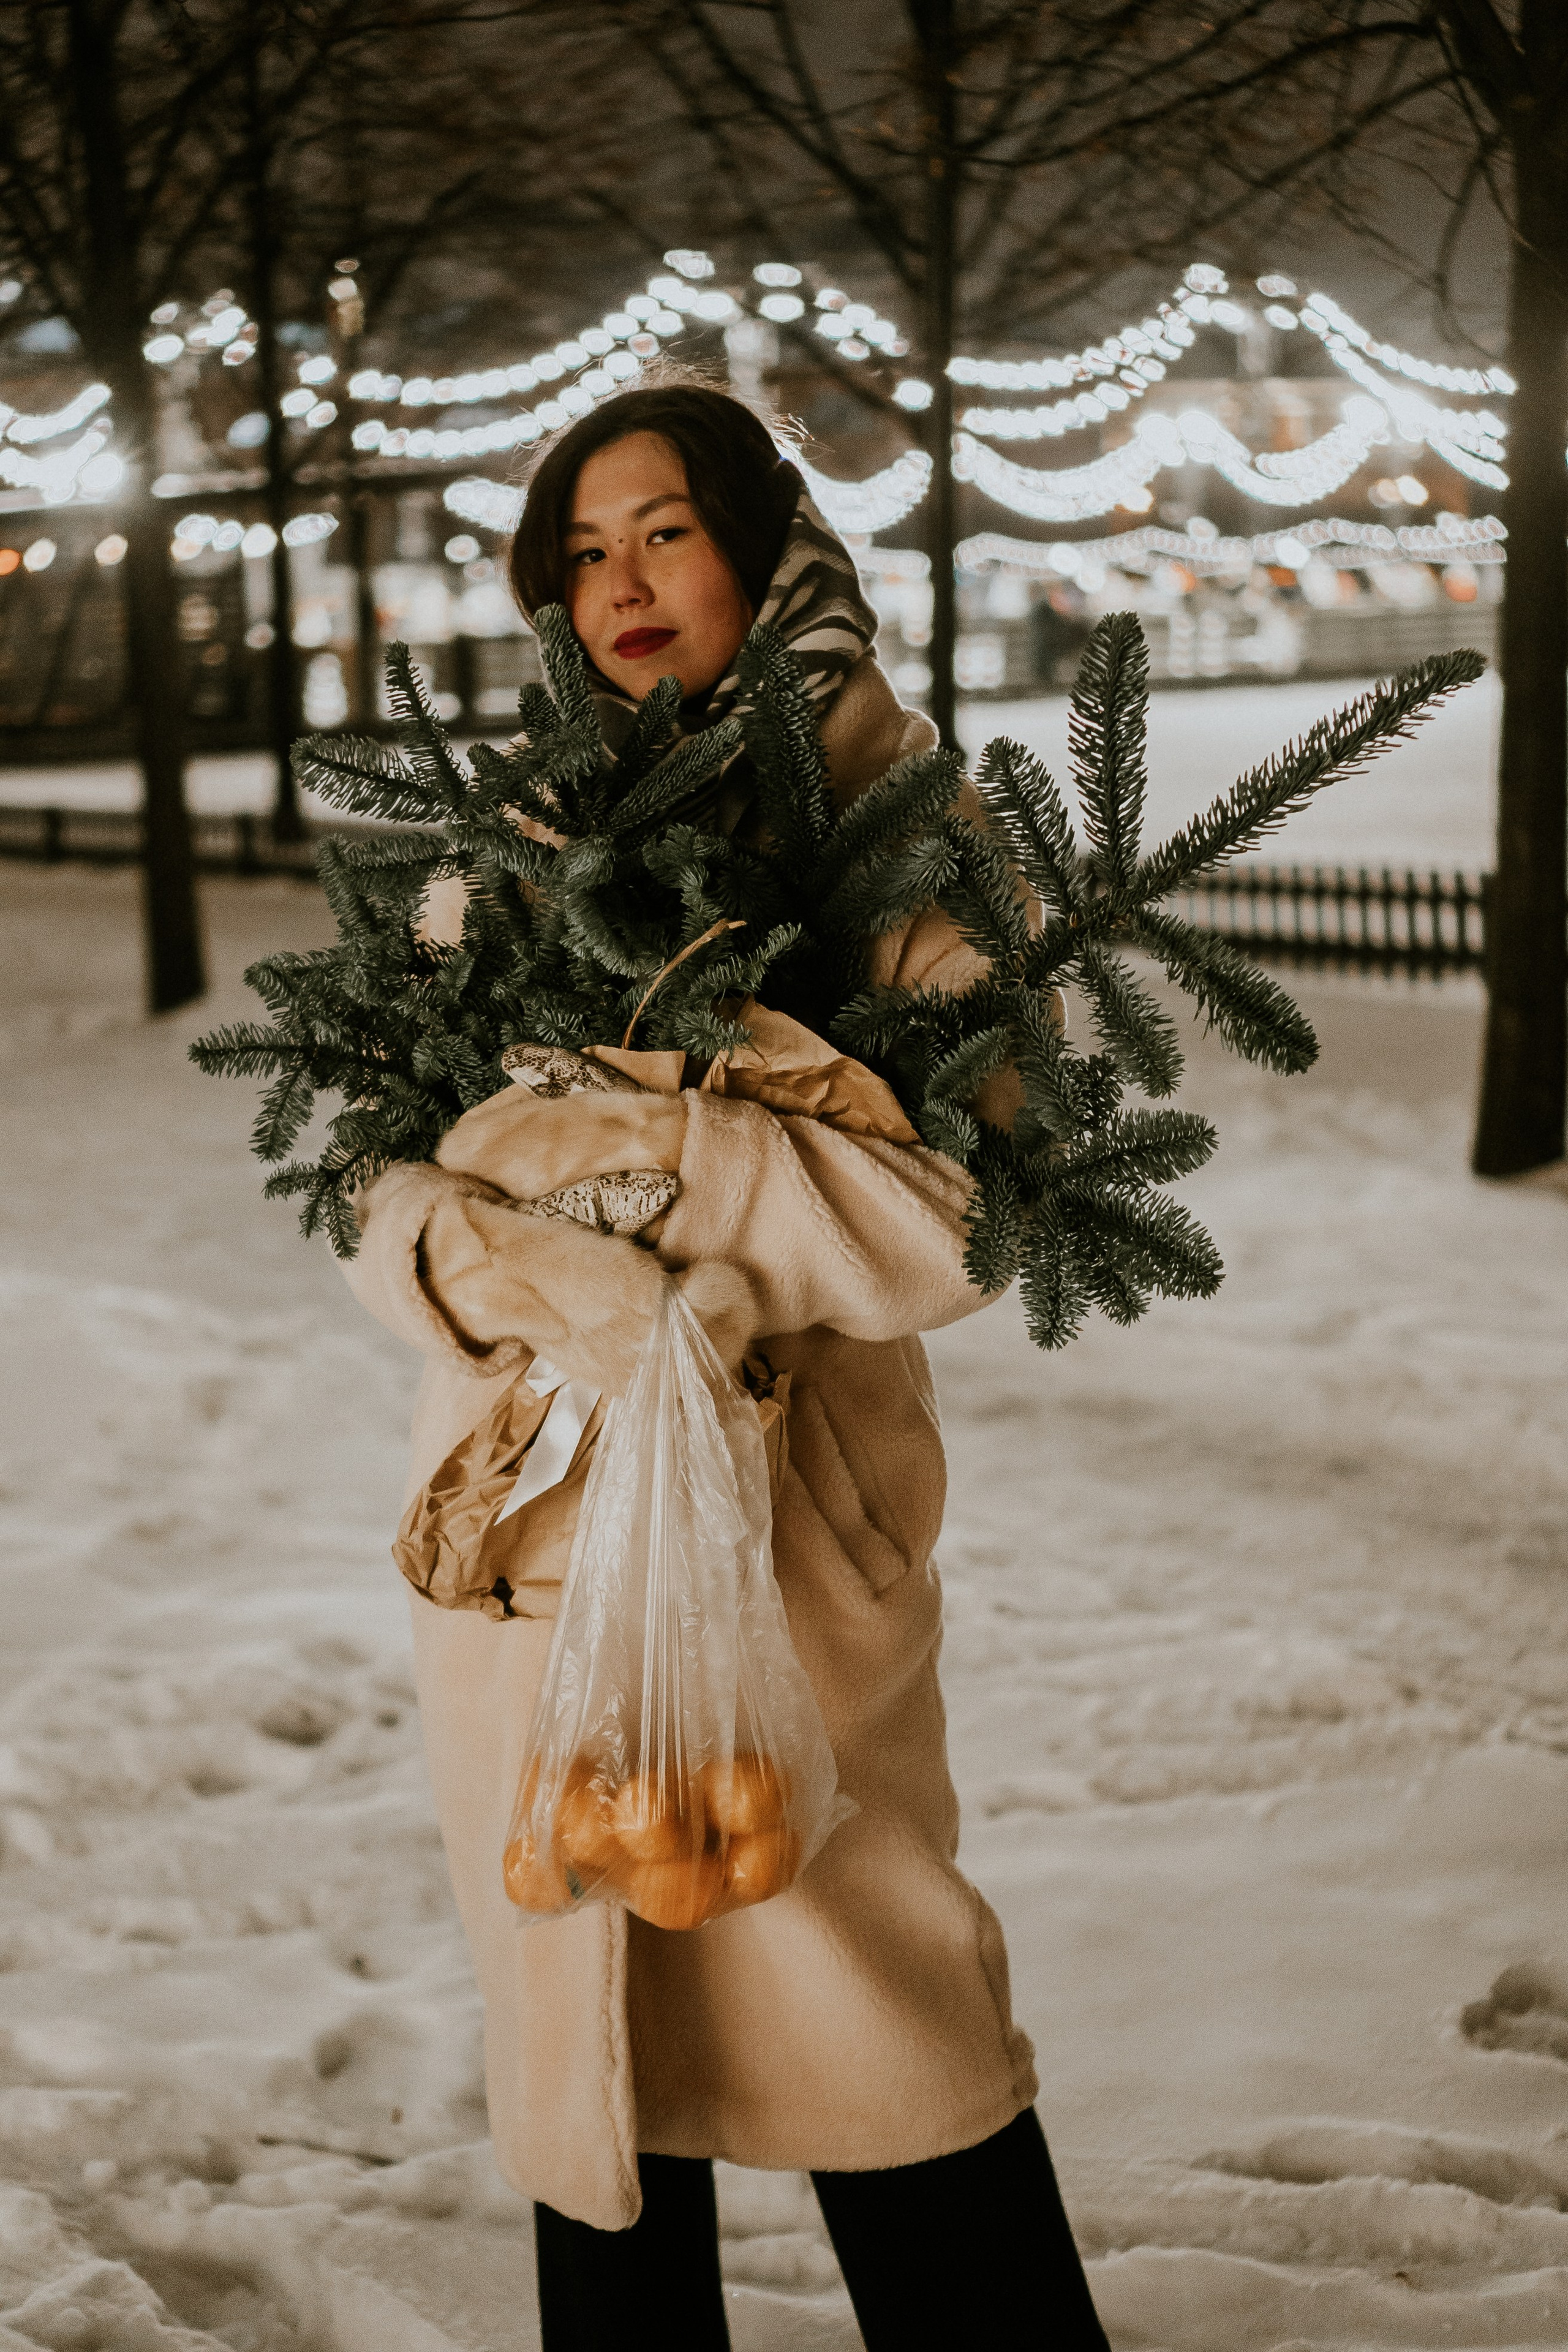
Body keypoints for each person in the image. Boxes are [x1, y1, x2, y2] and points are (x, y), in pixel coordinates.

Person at [343, 376, 1112, 2351]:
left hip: (780, 1552)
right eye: (584, 551)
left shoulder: (899, 825)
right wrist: (474, 1249)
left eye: (665, 531)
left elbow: (968, 1203)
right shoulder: (512, 841)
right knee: (591, 2087)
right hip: (523, 1545)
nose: (622, 582)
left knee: (885, 2036)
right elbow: (378, 1164)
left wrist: (649, 1156)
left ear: (761, 552)